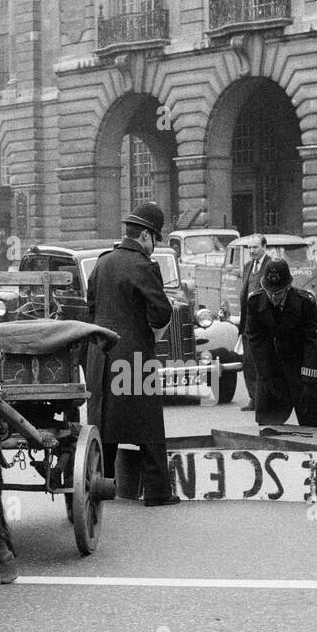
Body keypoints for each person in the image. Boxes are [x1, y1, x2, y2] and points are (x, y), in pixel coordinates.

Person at [86, 200, 179, 507]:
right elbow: (161, 312)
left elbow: (91, 308)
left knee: (105, 421)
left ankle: (105, 484)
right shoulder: (143, 266)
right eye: (155, 239)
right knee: (148, 421)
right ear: (145, 236)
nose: (153, 247)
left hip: (100, 352)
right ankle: (157, 492)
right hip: (133, 352)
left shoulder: (102, 262)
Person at [245, 259, 317, 428]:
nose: (273, 297)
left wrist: (309, 379)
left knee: (313, 424)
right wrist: (267, 374)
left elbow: (313, 341)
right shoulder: (255, 302)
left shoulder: (305, 302)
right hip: (272, 369)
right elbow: (255, 340)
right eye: (269, 292)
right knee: (268, 426)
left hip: (302, 368)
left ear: (288, 287)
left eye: (279, 293)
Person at [236, 234, 272, 412]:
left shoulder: (271, 266)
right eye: (249, 248)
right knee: (248, 362)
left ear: (264, 247)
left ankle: (263, 400)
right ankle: (253, 398)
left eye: (255, 247)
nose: (251, 251)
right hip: (247, 323)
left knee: (262, 363)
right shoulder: (247, 266)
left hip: (263, 325)